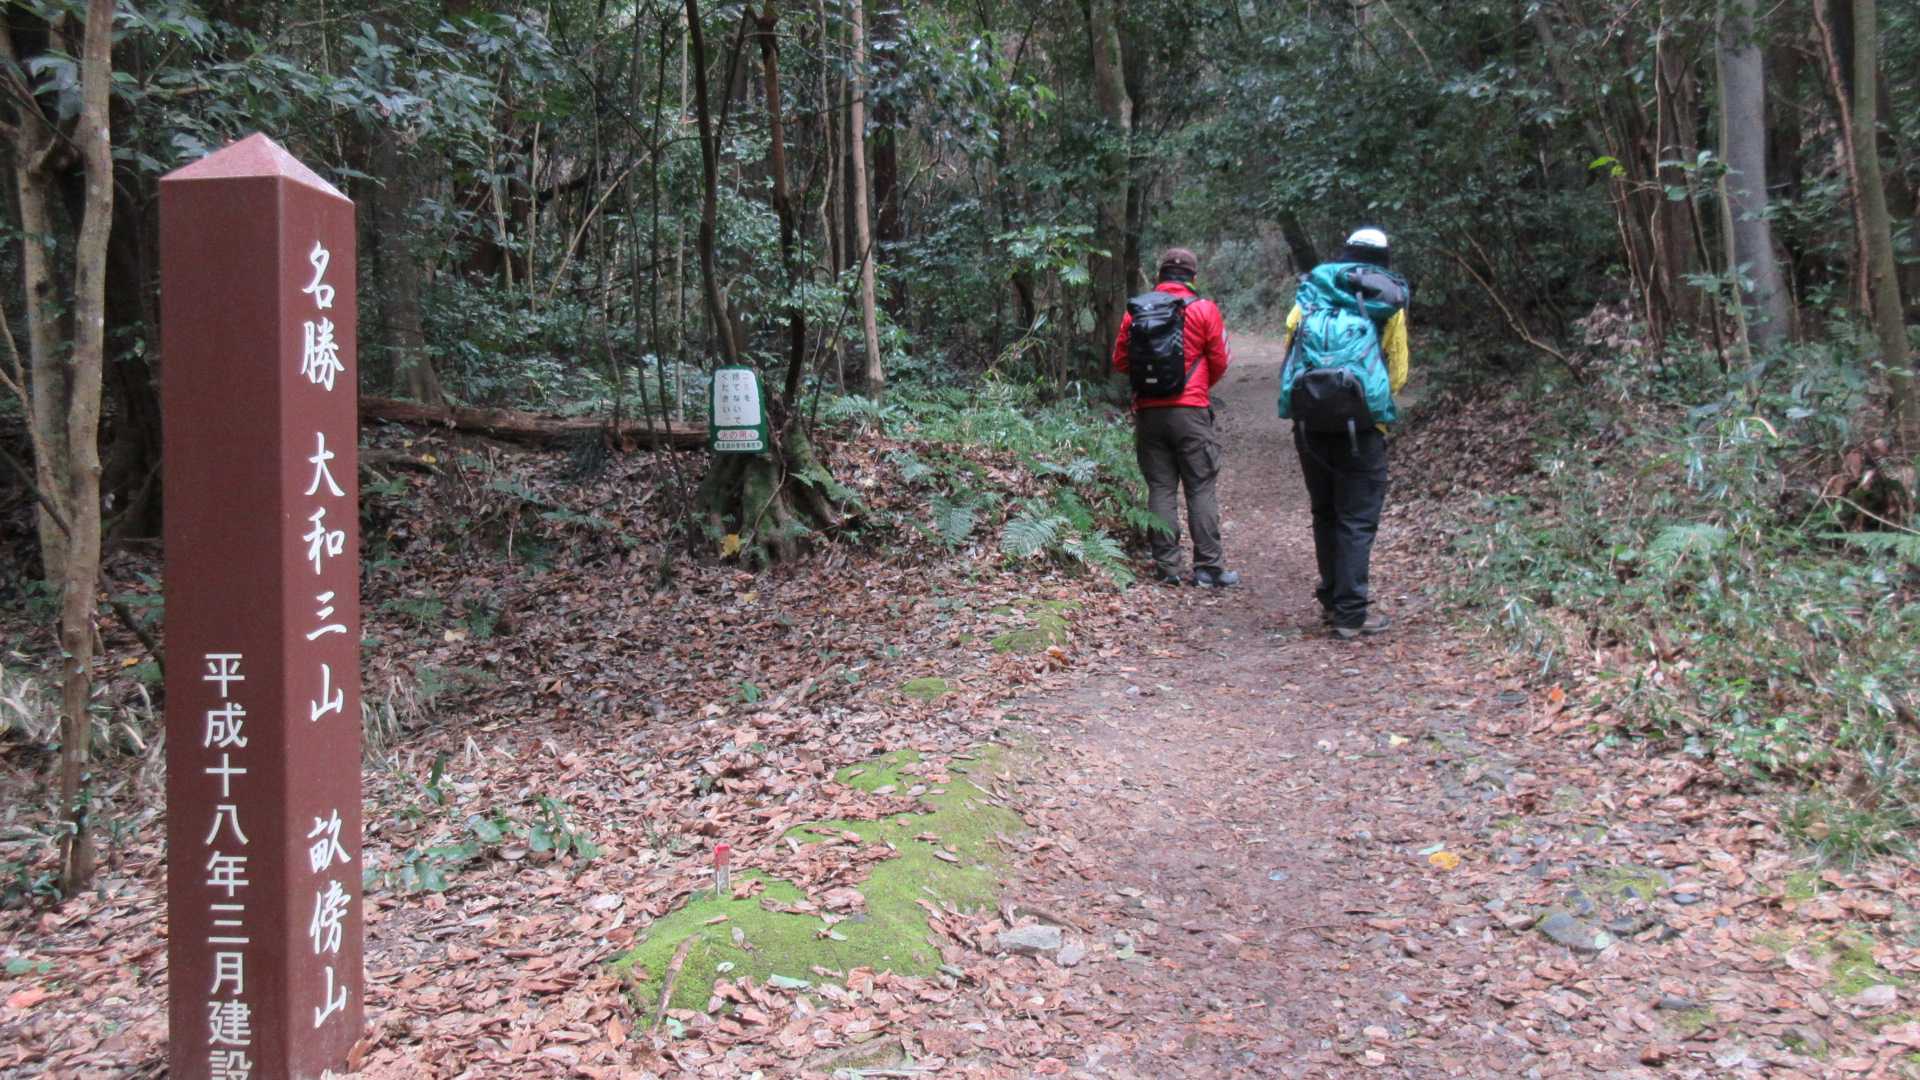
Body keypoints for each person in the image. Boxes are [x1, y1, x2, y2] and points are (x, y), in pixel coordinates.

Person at [1281, 227, 1409, 638]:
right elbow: (1398, 373)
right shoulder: (1386, 304)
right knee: (1356, 517)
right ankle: (1351, 613)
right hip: (1363, 427)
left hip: (1310, 423)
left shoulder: (1309, 297)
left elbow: (1290, 350)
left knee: (1325, 512)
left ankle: (1332, 600)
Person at [1111, 247, 1236, 586]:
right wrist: (1197, 388)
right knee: (1200, 486)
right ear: (1193, 277)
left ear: (1160, 276)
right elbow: (1220, 360)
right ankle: (1208, 568)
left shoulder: (1136, 311)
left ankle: (1167, 568)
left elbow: (1120, 361)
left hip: (1149, 412)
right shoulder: (1204, 309)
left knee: (1161, 487)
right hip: (1191, 411)